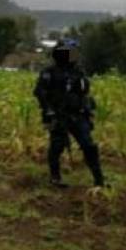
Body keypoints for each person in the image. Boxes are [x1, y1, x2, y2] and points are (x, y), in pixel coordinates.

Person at [34, 39, 105, 188]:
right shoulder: (49, 72)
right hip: (58, 115)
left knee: (89, 146)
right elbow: (40, 93)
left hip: (78, 115)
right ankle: (55, 178)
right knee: (57, 146)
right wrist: (49, 111)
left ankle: (99, 180)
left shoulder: (78, 73)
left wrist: (88, 109)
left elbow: (84, 93)